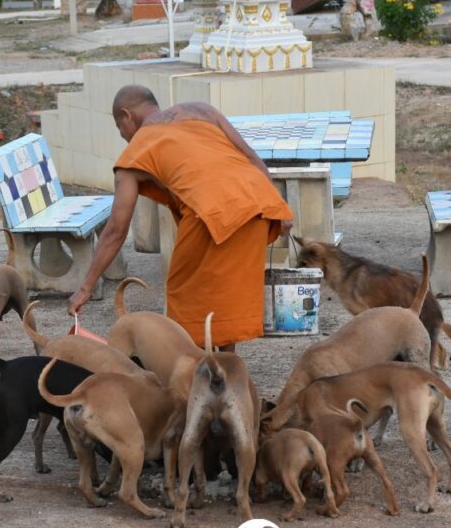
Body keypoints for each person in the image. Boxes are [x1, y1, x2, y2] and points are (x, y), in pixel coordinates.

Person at [67, 85, 293, 351]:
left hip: (211, 218)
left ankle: (193, 374)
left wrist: (85, 287)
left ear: (127, 116)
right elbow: (252, 159)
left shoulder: (133, 156)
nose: (124, 136)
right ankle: (226, 369)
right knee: (223, 298)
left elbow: (116, 230)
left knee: (184, 298)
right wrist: (278, 205)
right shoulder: (202, 110)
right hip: (258, 207)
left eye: (120, 128)